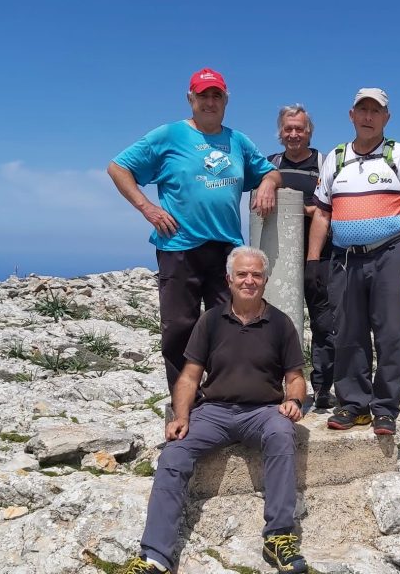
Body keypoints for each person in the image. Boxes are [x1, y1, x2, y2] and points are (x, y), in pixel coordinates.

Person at [122, 246, 310, 574]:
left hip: (263, 412)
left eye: (256, 275)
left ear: (265, 280)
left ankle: (279, 536)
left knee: (283, 433)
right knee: (174, 453)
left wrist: (293, 401)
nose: (249, 280)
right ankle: (155, 557)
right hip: (215, 412)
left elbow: (295, 379)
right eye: (242, 274)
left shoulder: (281, 324)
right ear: (229, 279)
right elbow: (190, 376)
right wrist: (181, 417)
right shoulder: (210, 320)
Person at [108, 68, 282, 394]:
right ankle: (183, 399)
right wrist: (148, 208)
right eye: (204, 95)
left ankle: (221, 394)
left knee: (227, 325)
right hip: (179, 246)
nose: (210, 102)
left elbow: (270, 173)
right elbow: (118, 167)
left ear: (226, 100)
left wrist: (268, 185)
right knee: (179, 327)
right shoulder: (169, 135)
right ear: (191, 99)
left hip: (226, 248)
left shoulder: (237, 140)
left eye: (217, 95)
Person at [306, 88, 400, 436]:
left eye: (375, 111)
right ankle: (353, 405)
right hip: (345, 258)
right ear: (351, 115)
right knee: (348, 333)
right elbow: (322, 213)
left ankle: (386, 408)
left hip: (390, 252)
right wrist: (313, 261)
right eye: (362, 110)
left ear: (386, 118)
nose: (368, 117)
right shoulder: (336, 157)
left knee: (390, 334)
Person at [267, 104, 336, 410]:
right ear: (280, 132)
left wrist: (303, 209)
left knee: (324, 323)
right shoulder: (269, 165)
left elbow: (335, 207)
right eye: (288, 128)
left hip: (319, 257)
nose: (294, 134)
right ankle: (274, 384)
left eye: (300, 128)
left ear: (310, 132)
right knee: (273, 324)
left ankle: (322, 387)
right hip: (278, 258)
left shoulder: (325, 163)